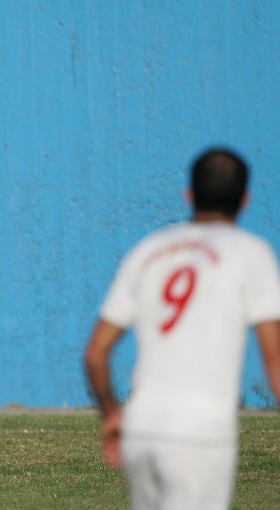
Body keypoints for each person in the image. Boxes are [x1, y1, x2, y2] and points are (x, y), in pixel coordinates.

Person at [84, 148, 280, 509]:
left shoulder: (148, 251)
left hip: (141, 429)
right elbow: (276, 361)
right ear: (245, 200)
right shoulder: (252, 254)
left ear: (189, 195)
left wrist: (111, 413)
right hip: (200, 434)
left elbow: (96, 353)